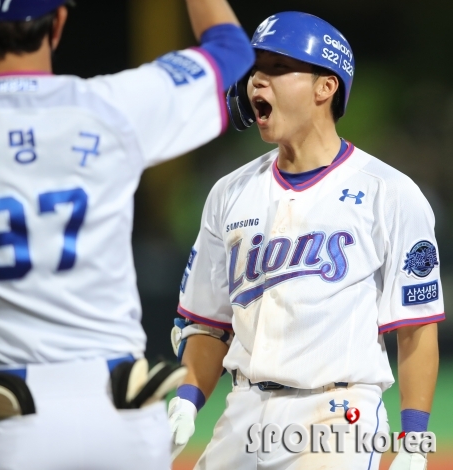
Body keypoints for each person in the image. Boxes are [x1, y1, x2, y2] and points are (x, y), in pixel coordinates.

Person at [0, 0, 254, 469]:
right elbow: (231, 50)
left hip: (9, 412)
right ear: (59, 22)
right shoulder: (113, 104)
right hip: (120, 412)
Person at [168, 11, 443, 470]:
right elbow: (209, 322)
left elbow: (416, 328)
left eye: (277, 68)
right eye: (256, 69)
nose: (258, 81)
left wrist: (415, 443)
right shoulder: (229, 193)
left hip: (338, 416)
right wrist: (187, 400)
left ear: (325, 87)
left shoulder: (389, 192)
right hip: (243, 410)